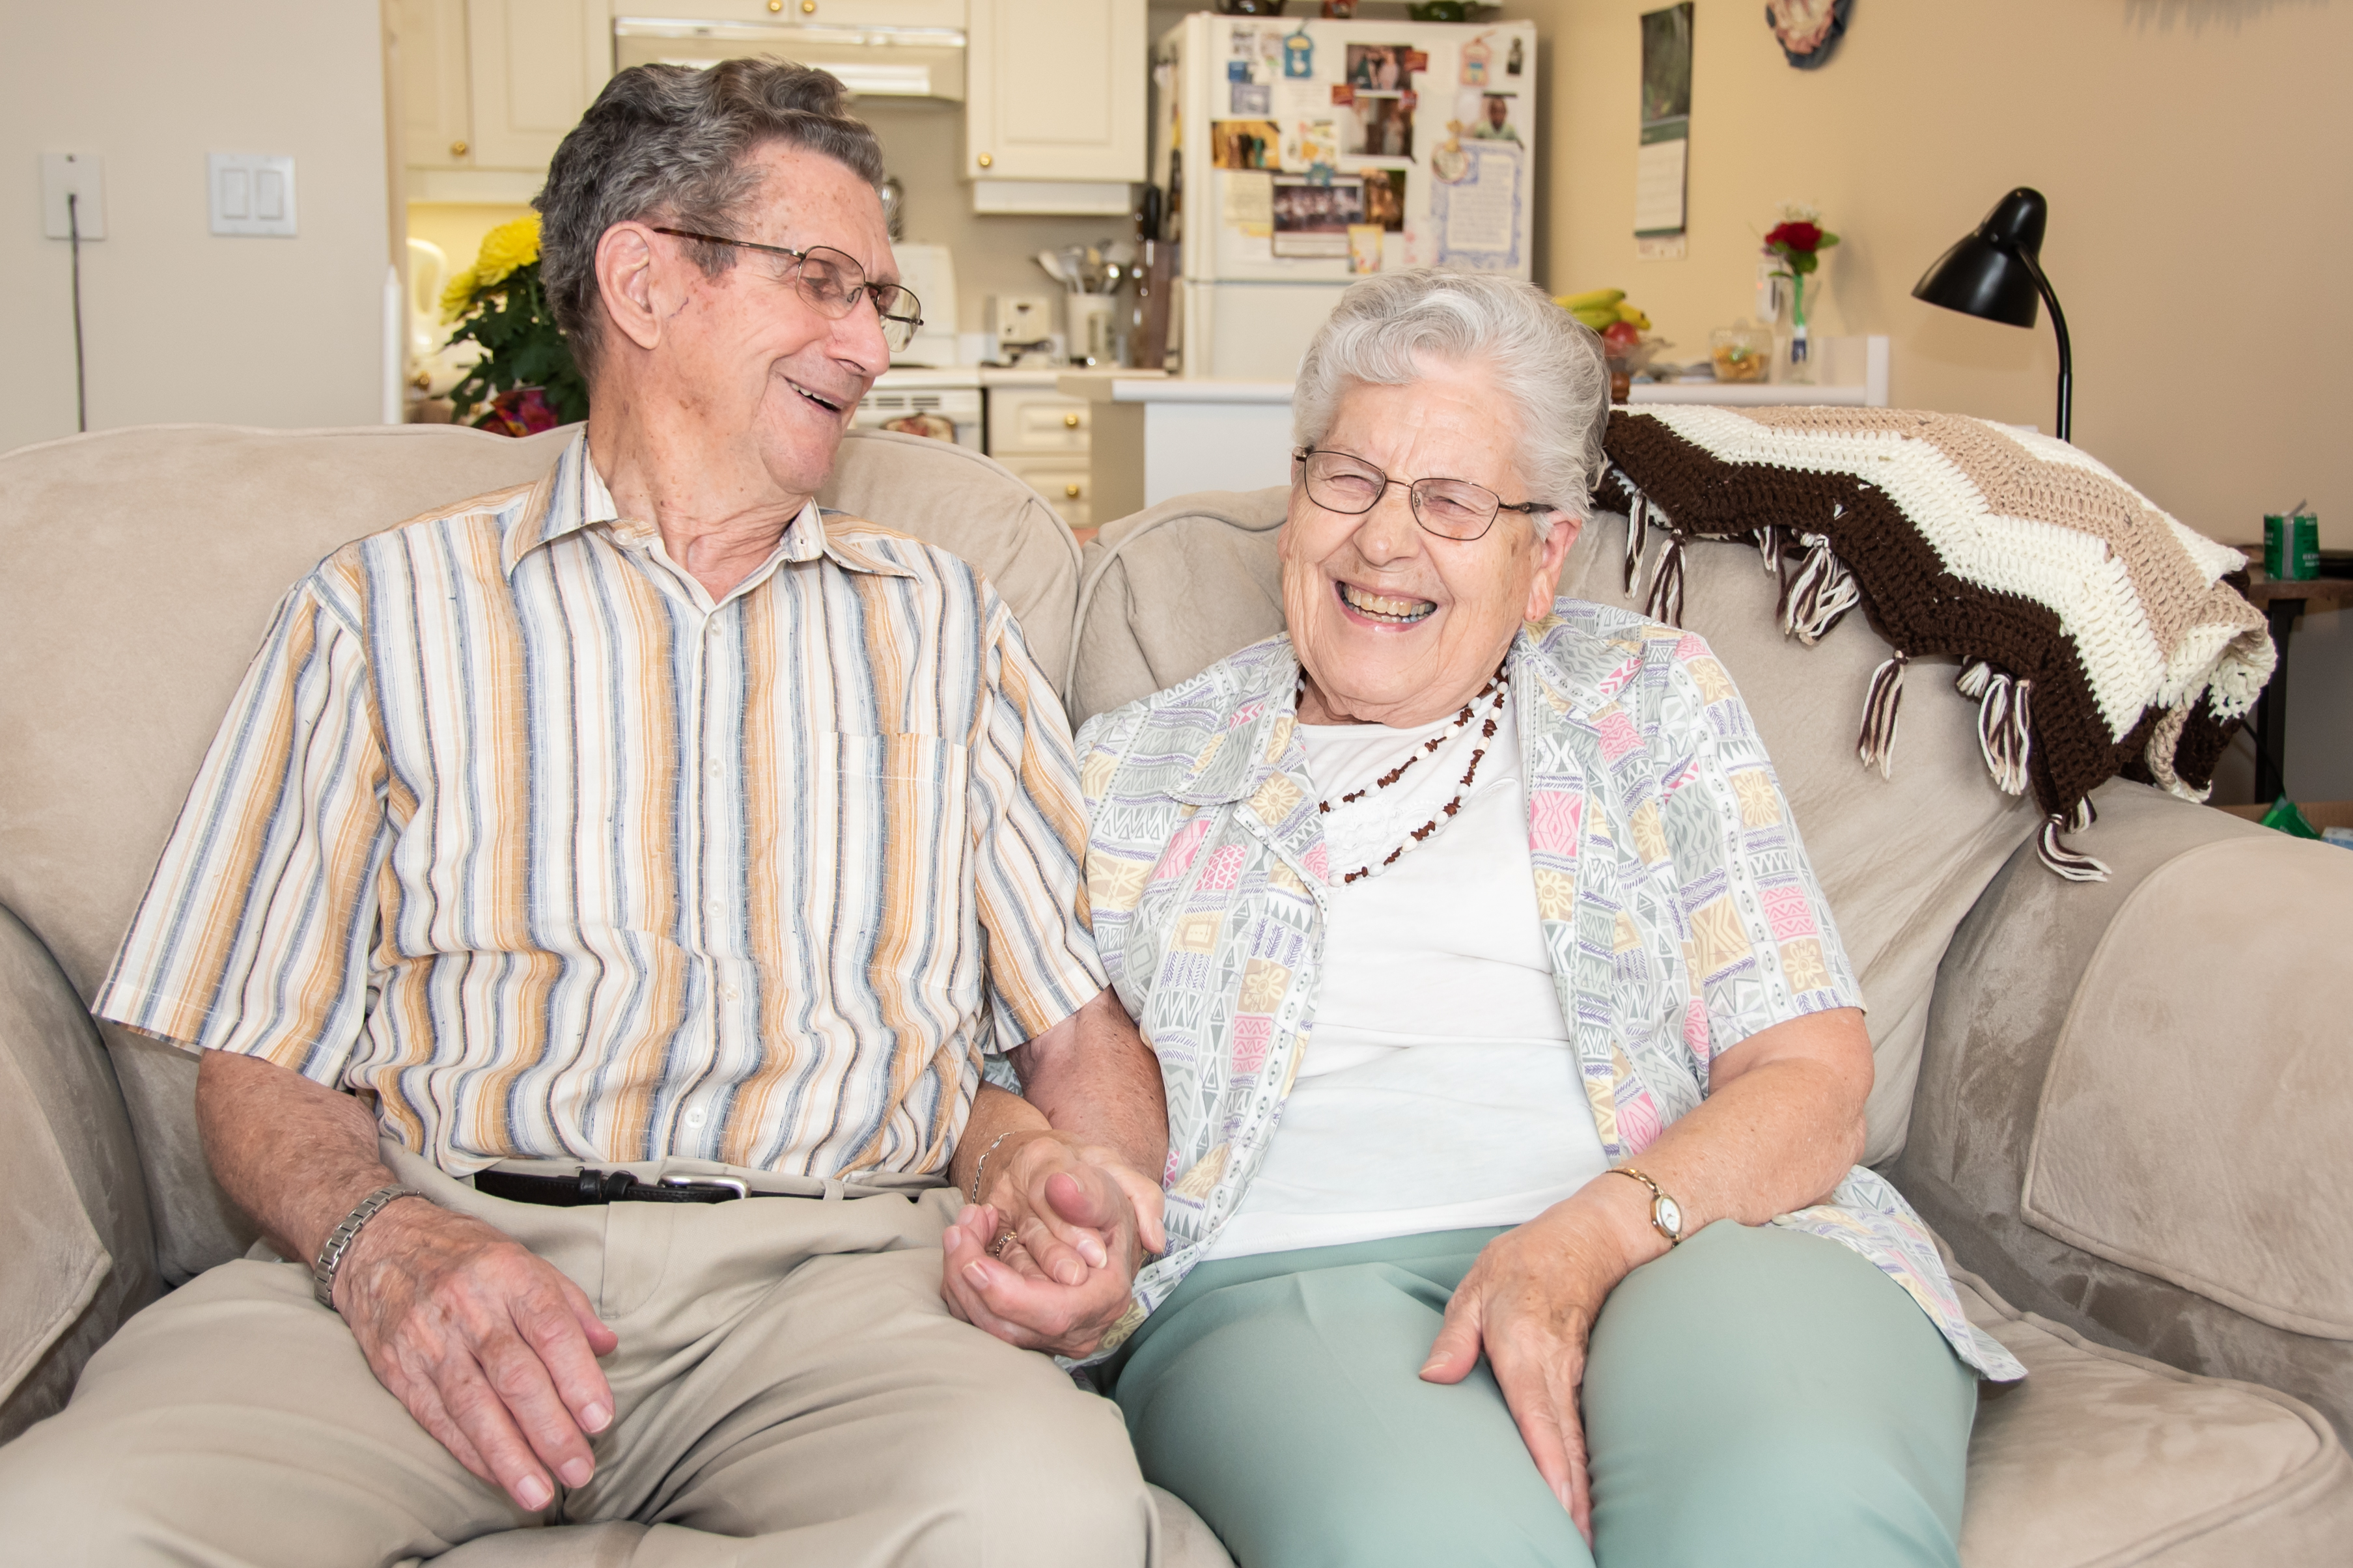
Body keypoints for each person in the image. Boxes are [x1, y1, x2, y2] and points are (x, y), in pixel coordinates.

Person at [0, 59, 1169, 1567]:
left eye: (883, 300)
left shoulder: (941, 620)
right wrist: (381, 1242)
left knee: (1052, 1518)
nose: (869, 343)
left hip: (833, 1282)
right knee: (63, 1525)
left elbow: (1075, 1030)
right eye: (823, 282)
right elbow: (255, 1053)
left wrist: (1103, 1218)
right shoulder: (383, 610)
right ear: (645, 279)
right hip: (447, 1237)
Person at [1049, 269, 2029, 1568]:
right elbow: (1010, 1062)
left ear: (1543, 558)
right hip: (1287, 1276)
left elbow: (1811, 1077)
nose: (1383, 541)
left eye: (1452, 500)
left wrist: (1582, 1240)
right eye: (1347, 478)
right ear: (1294, 499)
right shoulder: (1133, 768)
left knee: (1796, 1499)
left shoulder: (1649, 697)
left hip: (1681, 1231)